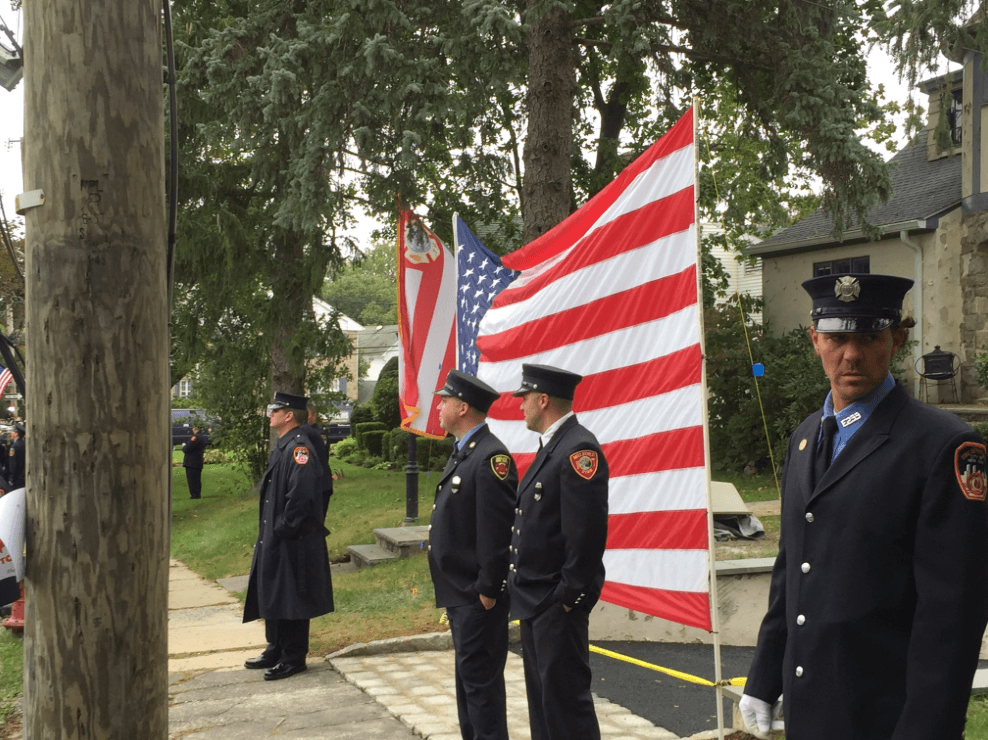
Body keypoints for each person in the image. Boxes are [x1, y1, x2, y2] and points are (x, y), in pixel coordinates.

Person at [740, 273, 988, 740]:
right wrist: (765, 674)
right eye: (836, 337)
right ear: (815, 340)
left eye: (869, 337)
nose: (850, 355)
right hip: (809, 708)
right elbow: (791, 570)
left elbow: (953, 615)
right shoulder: (804, 438)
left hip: (886, 716)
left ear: (897, 339)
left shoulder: (943, 446)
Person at [507, 364, 609, 740]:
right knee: (545, 706)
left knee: (566, 707)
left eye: (525, 398)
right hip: (535, 600)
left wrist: (568, 596)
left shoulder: (577, 449)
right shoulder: (553, 447)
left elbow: (586, 533)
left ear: (543, 400)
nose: (520, 405)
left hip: (554, 602)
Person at [430, 369, 517, 740]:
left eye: (445, 400)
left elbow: (497, 533)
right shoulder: (466, 453)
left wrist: (488, 589)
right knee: (469, 684)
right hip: (461, 591)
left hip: (476, 595)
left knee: (481, 689)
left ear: (463, 407)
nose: (439, 406)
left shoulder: (490, 458)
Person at [242, 391, 334, 680]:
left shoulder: (299, 448)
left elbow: (302, 494)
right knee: (275, 590)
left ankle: (293, 656)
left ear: (288, 415)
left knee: (293, 595)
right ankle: (276, 647)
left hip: (293, 538)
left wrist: (284, 526)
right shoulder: (283, 446)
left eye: (274, 410)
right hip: (277, 534)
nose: (270, 413)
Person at [300, 401, 334, 521]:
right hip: (310, 484)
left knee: (317, 523)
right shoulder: (302, 432)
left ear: (313, 415)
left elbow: (320, 456)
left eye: (307, 414)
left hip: (321, 484)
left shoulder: (319, 434)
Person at [181, 426, 208, 499]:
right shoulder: (202, 437)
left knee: (192, 479)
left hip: (191, 462)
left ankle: (194, 495)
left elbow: (187, 448)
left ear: (195, 430)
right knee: (197, 479)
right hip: (198, 460)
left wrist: (184, 446)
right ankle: (197, 493)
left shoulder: (195, 438)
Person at [7, 423, 24, 490]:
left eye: (12, 432)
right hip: (24, 477)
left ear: (16, 434)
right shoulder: (24, 444)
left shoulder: (14, 447)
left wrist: (11, 479)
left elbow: (13, 465)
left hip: (17, 478)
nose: (11, 434)